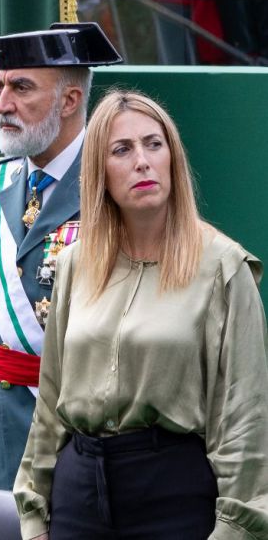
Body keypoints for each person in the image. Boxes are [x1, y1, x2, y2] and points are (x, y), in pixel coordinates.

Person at [14, 90, 268, 539]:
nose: (143, 161)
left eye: (155, 144)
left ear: (173, 157)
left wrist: (237, 528)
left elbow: (246, 417)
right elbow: (51, 399)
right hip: (79, 496)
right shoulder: (76, 262)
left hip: (173, 494)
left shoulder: (224, 267)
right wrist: (34, 511)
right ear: (100, 173)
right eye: (122, 150)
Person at [0, 23, 122, 490]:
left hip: (76, 450)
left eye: (22, 88)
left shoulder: (114, 188)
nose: (1, 104)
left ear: (68, 102)